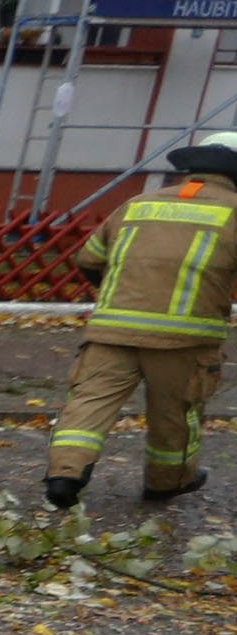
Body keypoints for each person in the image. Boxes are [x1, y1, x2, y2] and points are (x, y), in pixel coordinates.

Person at [42, 124, 236, 505]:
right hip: (184, 341)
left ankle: (64, 476)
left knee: (88, 404)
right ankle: (166, 482)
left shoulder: (138, 203)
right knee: (175, 417)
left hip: (110, 331)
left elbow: (88, 259)